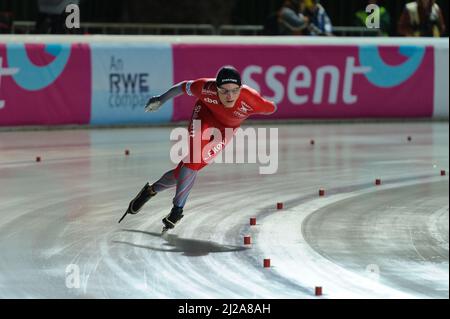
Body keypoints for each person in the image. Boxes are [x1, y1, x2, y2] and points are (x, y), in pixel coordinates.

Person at [118, 66, 277, 233]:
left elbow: (271, 107)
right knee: (193, 160)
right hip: (204, 117)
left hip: (225, 131)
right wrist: (160, 99)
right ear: (216, 88)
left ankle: (151, 190)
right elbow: (182, 87)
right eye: (224, 91)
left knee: (185, 170)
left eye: (234, 90)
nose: (229, 96)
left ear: (240, 88)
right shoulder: (205, 88)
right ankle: (177, 211)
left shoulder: (252, 100)